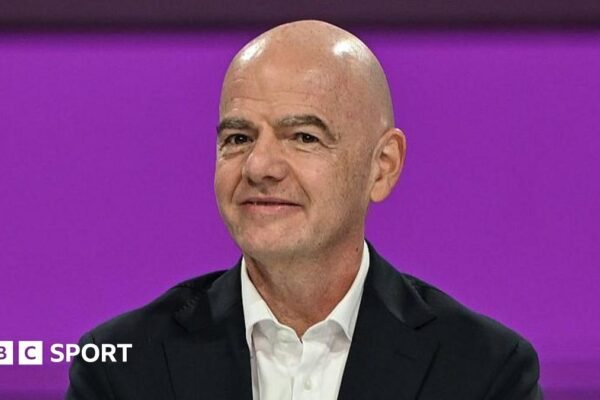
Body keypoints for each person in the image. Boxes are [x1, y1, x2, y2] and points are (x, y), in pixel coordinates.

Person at [66, 20, 541, 400]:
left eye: (304, 137)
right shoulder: (122, 367)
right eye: (238, 138)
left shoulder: (484, 371)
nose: (259, 166)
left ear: (382, 167)